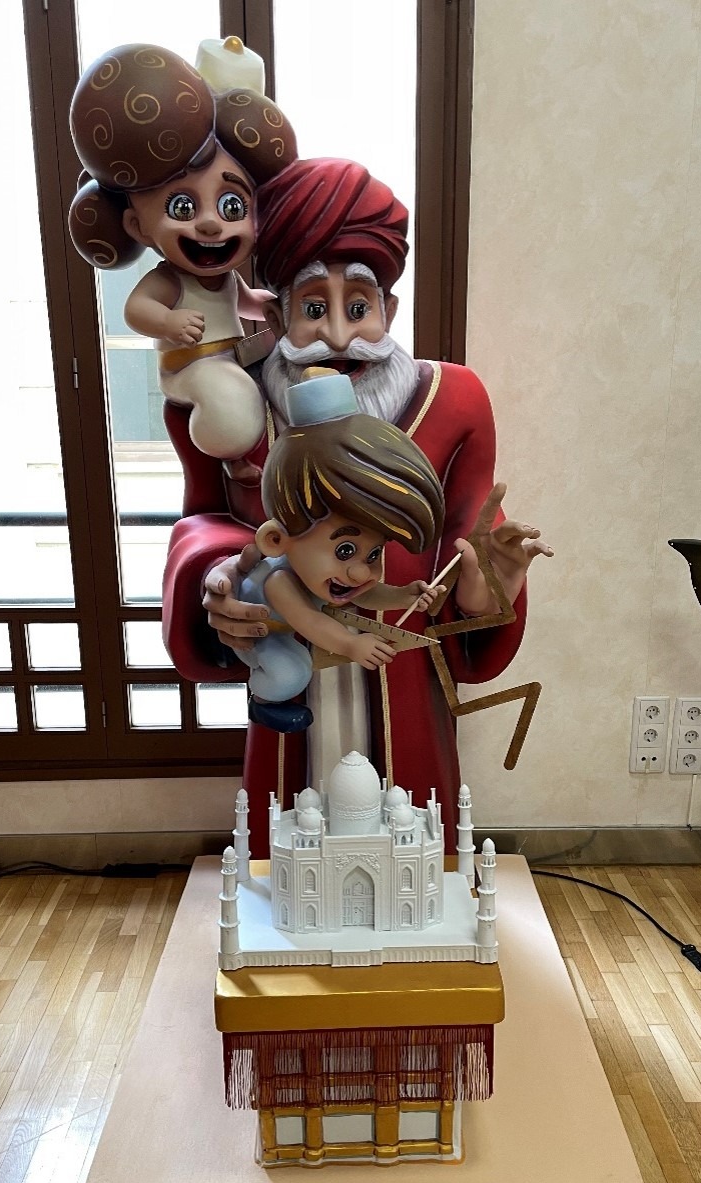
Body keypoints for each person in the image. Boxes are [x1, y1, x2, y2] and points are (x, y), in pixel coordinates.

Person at [162, 159, 552, 851]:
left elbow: (467, 539)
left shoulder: (456, 401)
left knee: (413, 843)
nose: (340, 338)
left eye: (360, 306)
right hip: (289, 652)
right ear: (276, 314)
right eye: (314, 309)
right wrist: (221, 574)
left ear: (389, 311)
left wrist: (492, 575)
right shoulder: (231, 406)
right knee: (287, 850)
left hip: (400, 672)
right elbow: (203, 521)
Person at [68, 41, 296, 482]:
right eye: (183, 208)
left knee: (286, 369)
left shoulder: (226, 276)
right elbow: (136, 309)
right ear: (138, 226)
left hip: (232, 357)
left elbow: (244, 300)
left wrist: (272, 305)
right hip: (189, 367)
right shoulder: (170, 280)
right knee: (232, 402)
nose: (210, 224)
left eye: (231, 206)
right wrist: (168, 323)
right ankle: (230, 455)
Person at [236, 370, 446, 731]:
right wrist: (351, 645)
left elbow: (366, 593)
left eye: (374, 554)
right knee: (291, 672)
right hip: (261, 631)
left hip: (292, 629)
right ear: (276, 540)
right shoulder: (278, 583)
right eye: (345, 550)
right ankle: (263, 701)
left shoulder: (324, 575)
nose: (362, 571)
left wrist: (403, 595)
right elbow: (311, 621)